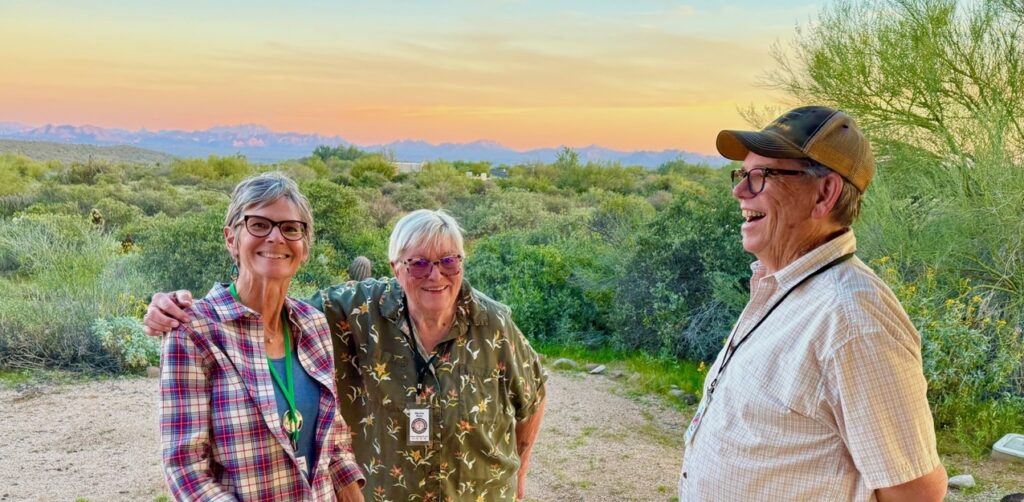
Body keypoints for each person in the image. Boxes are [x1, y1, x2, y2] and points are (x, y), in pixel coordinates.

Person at [147, 209, 548, 501]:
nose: (436, 274)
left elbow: (532, 396)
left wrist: (520, 475)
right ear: (395, 266)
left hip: (479, 493)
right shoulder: (352, 311)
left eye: (448, 261)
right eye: (419, 262)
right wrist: (175, 310)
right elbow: (265, 310)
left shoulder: (493, 323)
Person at [678, 106, 947, 501]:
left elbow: (916, 492)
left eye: (760, 177)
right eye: (741, 175)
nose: (739, 191)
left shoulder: (853, 318)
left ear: (824, 193)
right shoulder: (786, 286)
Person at [158, 172, 364, 501]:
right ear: (231, 239)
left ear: (304, 247)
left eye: (290, 228)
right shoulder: (195, 331)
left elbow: (335, 445)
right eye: (258, 224)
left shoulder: (312, 325)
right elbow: (185, 469)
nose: (275, 238)